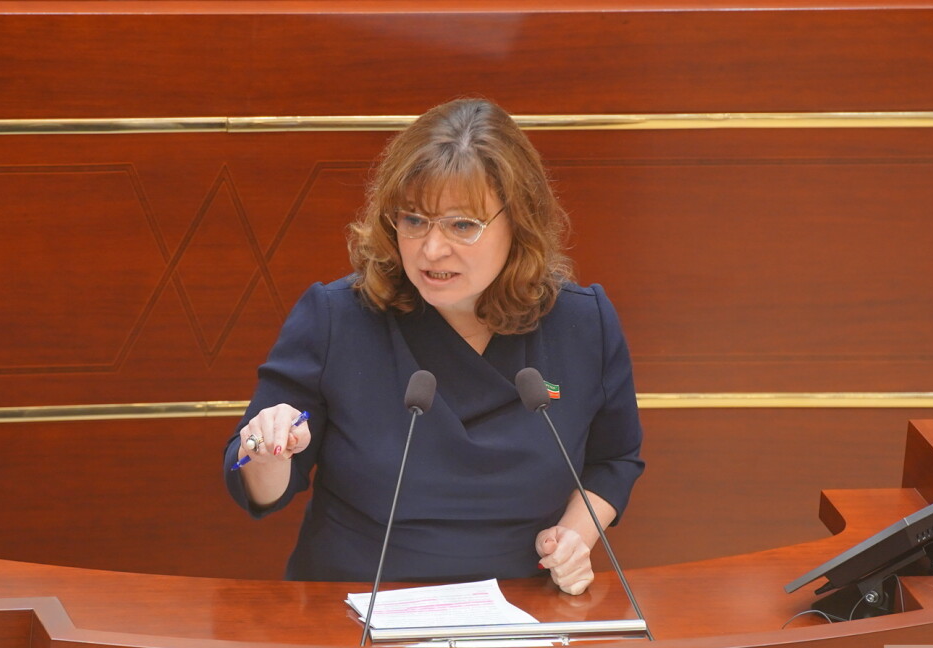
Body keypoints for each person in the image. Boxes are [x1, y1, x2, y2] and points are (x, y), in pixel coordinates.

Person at [224, 97, 644, 595]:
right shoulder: (336, 318)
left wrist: (574, 536)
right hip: (356, 606)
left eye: (462, 225)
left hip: (520, 605)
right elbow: (261, 490)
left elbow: (614, 459)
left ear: (519, 222)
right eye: (414, 220)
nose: (432, 249)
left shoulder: (582, 323)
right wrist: (267, 452)